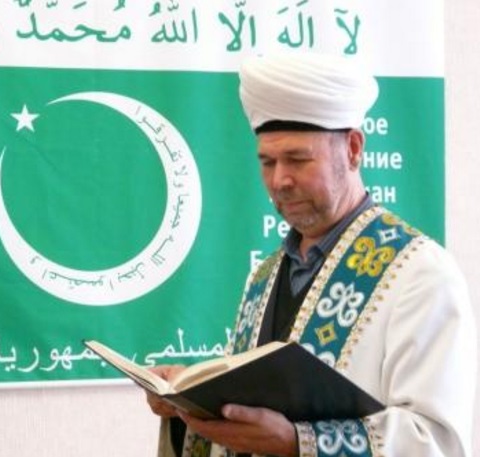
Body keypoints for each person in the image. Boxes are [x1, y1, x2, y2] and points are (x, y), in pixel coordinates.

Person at [145, 51, 478, 457]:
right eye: (267, 162)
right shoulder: (264, 277)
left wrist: (297, 442)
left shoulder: (421, 274)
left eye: (298, 160)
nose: (279, 180)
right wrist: (189, 399)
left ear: (353, 148)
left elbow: (437, 441)